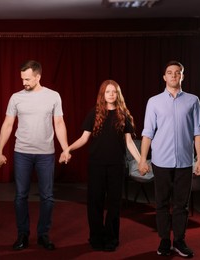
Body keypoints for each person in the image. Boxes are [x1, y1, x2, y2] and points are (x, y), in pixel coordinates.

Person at [0, 60, 68, 251]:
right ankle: (23, 234)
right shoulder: (16, 98)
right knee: (20, 196)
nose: (24, 82)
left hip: (46, 154)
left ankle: (43, 234)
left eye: (27, 79)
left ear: (38, 76)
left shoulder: (53, 96)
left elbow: (59, 123)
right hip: (22, 153)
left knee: (47, 197)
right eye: (22, 79)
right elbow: (8, 124)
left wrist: (65, 148)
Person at [59, 79, 140, 252]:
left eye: (114, 92)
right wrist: (67, 149)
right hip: (96, 165)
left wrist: (141, 160)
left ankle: (111, 238)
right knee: (95, 202)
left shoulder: (123, 115)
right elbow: (83, 138)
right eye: (108, 91)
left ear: (118, 94)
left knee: (114, 203)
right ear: (102, 95)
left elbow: (130, 143)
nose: (111, 94)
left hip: (116, 166)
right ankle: (96, 237)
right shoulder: (94, 114)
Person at [138, 60, 200, 258]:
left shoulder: (193, 100)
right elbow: (147, 133)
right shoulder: (154, 102)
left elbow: (198, 132)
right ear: (164, 77)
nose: (174, 75)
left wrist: (199, 159)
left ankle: (180, 241)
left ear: (182, 76)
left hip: (185, 161)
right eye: (170, 72)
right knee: (161, 203)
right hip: (161, 161)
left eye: (177, 72)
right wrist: (143, 160)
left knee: (181, 204)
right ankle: (165, 240)